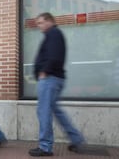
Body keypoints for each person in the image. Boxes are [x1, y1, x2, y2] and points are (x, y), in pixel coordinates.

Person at [29, 12, 84, 157]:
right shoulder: (53, 34)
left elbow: (54, 56)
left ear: (49, 21)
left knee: (44, 111)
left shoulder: (53, 33)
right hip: (54, 78)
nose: (39, 26)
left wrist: (44, 72)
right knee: (56, 111)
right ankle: (76, 138)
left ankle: (45, 147)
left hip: (50, 78)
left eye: (40, 23)